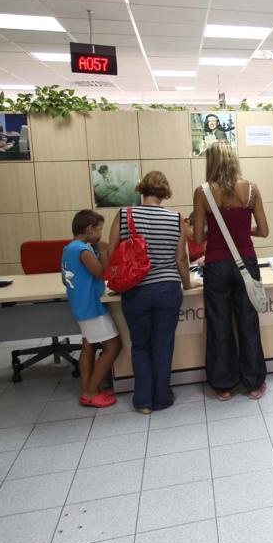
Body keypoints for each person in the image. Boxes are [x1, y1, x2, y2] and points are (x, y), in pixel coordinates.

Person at [108, 171, 194, 414]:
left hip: (136, 290)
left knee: (140, 345)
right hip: (167, 288)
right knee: (163, 344)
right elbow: (180, 259)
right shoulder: (176, 219)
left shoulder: (125, 214)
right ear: (165, 192)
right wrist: (188, 284)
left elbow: (112, 252)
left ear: (142, 189)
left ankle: (143, 401)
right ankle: (162, 397)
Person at [193, 142, 270, 401]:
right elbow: (264, 231)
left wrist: (214, 229)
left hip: (216, 264)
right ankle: (254, 383)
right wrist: (242, 229)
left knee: (219, 323)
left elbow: (198, 237)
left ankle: (223, 385)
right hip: (245, 262)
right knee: (248, 321)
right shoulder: (251, 190)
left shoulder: (202, 192)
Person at [62, 210, 122, 408]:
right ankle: (91, 391)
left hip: (81, 306)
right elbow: (102, 274)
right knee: (113, 346)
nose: (100, 234)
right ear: (90, 230)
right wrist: (103, 250)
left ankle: (86, 390)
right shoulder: (84, 251)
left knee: (88, 347)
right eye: (99, 230)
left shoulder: (69, 248)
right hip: (92, 308)